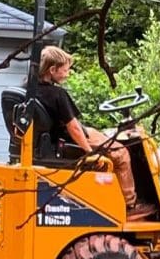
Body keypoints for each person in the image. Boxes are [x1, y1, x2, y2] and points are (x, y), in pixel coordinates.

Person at [34, 46, 153, 220]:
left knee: (106, 135)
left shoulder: (30, 89)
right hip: (67, 139)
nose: (68, 74)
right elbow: (73, 128)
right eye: (66, 70)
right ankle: (130, 206)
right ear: (52, 70)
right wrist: (89, 152)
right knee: (121, 153)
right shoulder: (57, 94)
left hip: (52, 139)